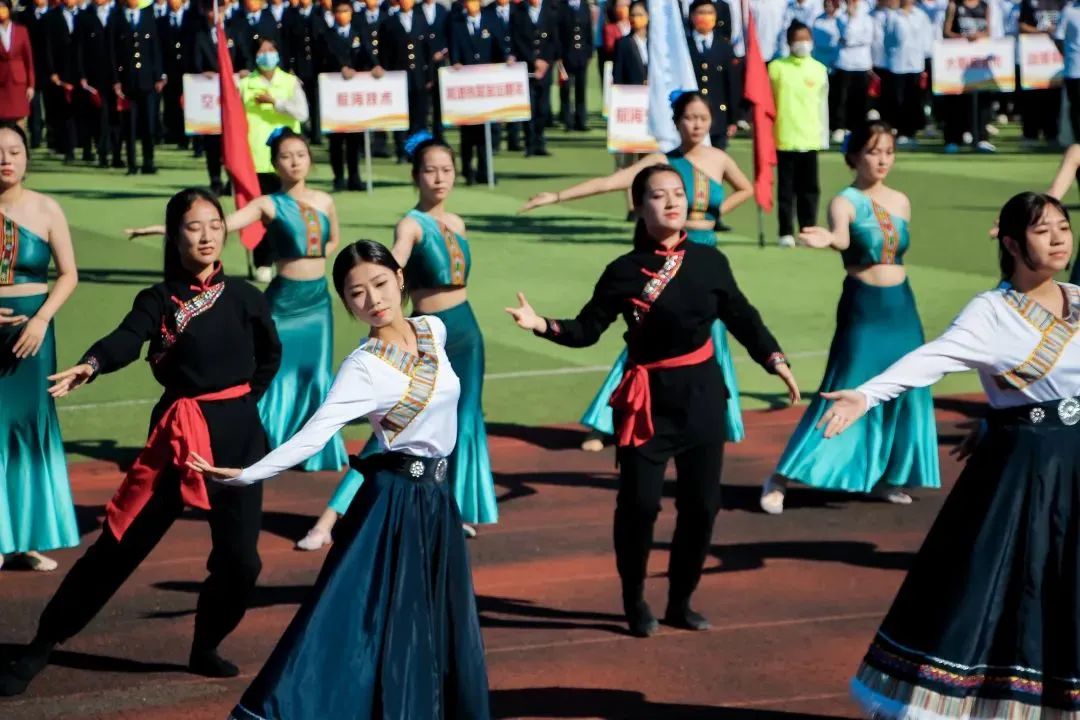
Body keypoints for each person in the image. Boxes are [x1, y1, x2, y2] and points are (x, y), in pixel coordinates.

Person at [187, 240, 490, 720]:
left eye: (380, 283)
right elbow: (314, 434)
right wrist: (247, 474)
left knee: (437, 617)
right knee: (359, 621)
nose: (373, 299)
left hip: (437, 499)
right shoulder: (363, 367)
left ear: (400, 278)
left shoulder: (432, 329)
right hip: (394, 504)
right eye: (356, 293)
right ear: (346, 303)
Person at [0, 188, 282, 698]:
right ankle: (42, 644)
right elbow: (127, 339)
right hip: (178, 437)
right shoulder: (159, 299)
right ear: (174, 236)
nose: (206, 235)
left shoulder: (246, 296)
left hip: (239, 439)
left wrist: (240, 405)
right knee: (118, 546)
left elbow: (269, 356)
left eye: (214, 224)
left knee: (242, 561)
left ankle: (206, 645)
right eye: (193, 226)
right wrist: (92, 364)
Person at [508, 165, 799, 637]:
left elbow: (743, 317)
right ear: (639, 207)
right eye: (659, 195)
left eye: (678, 193)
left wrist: (774, 359)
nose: (672, 202)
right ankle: (634, 600)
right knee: (640, 505)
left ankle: (681, 601)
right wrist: (541, 324)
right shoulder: (623, 271)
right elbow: (587, 330)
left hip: (703, 396)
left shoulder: (710, 261)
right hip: (647, 403)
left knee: (702, 506)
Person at [823, 192, 1080, 720]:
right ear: (1012, 244)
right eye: (1042, 231)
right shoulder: (991, 311)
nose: (1058, 239)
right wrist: (866, 395)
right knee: (1003, 587)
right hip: (1028, 475)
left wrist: (993, 420)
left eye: (1063, 227)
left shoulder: (1078, 297)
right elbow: (934, 358)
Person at [521, 90, 754, 452]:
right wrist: (557, 196)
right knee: (651, 338)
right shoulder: (663, 162)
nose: (696, 125)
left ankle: (709, 417)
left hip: (705, 254)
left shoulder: (720, 159)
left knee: (708, 338)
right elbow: (611, 182)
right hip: (667, 255)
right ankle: (604, 420)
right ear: (676, 122)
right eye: (689, 117)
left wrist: (714, 214)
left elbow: (746, 188)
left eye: (703, 118)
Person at [299, 133, 496, 549]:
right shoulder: (410, 224)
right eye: (430, 170)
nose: (439, 178)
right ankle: (328, 520)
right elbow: (395, 262)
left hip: (467, 334)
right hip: (426, 337)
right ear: (415, 176)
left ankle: (449, 509)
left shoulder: (457, 223)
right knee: (392, 432)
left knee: (459, 424)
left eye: (447, 170)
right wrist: (379, 285)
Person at [127, 127, 348, 475]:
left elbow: (333, 238)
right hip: (285, 300)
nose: (294, 162)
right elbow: (219, 226)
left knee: (315, 372)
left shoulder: (325, 200)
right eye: (286, 157)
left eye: (301, 155)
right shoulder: (267, 204)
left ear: (310, 159)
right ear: (274, 163)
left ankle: (311, 447)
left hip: (318, 301)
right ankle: (264, 440)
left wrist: (314, 256)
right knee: (276, 369)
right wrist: (168, 229)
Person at [759, 122, 940, 515]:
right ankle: (781, 477)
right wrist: (829, 240)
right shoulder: (845, 201)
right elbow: (842, 237)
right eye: (874, 152)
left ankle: (886, 477)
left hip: (902, 307)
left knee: (903, 385)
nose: (882, 160)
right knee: (845, 386)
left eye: (889, 152)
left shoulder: (901, 201)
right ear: (855, 156)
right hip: (864, 307)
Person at [0, 122, 79, 573]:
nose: (6, 160)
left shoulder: (47, 209)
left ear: (27, 157)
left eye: (14, 151)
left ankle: (26, 540)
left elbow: (68, 274)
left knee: (30, 429)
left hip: (34, 336)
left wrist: (41, 319)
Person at [240, 36, 309, 281]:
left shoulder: (290, 82)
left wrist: (275, 103)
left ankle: (288, 257)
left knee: (288, 212)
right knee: (261, 214)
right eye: (262, 51)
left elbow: (302, 113)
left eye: (271, 50)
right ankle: (263, 261)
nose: (267, 55)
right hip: (256, 158)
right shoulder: (245, 84)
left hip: (288, 160)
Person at [769, 21, 828, 248]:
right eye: (798, 39)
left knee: (810, 190)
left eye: (806, 38)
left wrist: (823, 137)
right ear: (789, 42)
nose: (802, 43)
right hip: (784, 137)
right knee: (786, 190)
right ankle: (785, 231)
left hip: (810, 138)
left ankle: (808, 230)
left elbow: (823, 106)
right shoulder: (776, 68)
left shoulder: (819, 69)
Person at [321, 0, 384, 191]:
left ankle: (354, 177)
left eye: (346, 11)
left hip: (354, 93)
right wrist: (340, 68)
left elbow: (368, 52)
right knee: (336, 139)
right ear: (333, 14)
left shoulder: (358, 32)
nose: (343, 15)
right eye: (339, 11)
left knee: (354, 138)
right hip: (334, 93)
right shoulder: (326, 35)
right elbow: (324, 58)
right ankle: (338, 177)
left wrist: (375, 66)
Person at [449, 0, 507, 186]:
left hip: (486, 87)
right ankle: (467, 170)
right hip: (466, 88)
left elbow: (500, 50)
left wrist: (506, 62)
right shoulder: (457, 24)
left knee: (486, 133)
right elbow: (454, 52)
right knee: (467, 134)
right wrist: (455, 63)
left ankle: (485, 170)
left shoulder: (492, 21)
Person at [113, 0, 167, 175]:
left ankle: (148, 162)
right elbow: (113, 53)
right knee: (130, 125)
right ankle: (132, 163)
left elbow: (155, 49)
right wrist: (116, 80)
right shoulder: (117, 19)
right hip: (127, 82)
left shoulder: (148, 18)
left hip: (148, 81)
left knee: (148, 124)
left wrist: (159, 76)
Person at [942, 0, 994, 152]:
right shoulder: (954, 5)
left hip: (978, 60)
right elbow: (946, 32)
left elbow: (988, 31)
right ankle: (953, 139)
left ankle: (981, 138)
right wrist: (963, 38)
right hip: (957, 61)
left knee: (982, 100)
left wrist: (978, 36)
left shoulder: (985, 6)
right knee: (956, 100)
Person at [686, 0, 738, 150]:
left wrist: (732, 119)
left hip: (717, 119)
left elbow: (731, 86)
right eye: (701, 13)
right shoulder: (684, 46)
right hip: (690, 118)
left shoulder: (724, 47)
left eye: (710, 13)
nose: (705, 17)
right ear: (692, 16)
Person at [75, 0, 122, 168]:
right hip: (95, 76)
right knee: (100, 116)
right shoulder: (84, 16)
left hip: (119, 74)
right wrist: (82, 75)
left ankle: (117, 154)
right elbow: (79, 48)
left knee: (117, 116)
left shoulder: (119, 13)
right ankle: (103, 153)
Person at [511, 0, 559, 157]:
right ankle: (529, 144)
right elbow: (518, 41)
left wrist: (546, 62)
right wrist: (533, 60)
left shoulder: (550, 12)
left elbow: (554, 40)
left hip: (545, 68)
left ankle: (540, 142)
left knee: (543, 108)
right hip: (527, 67)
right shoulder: (518, 13)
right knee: (529, 108)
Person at [832, 0, 874, 140]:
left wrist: (852, 41)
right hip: (844, 63)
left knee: (860, 98)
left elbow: (867, 38)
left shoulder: (867, 18)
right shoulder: (840, 17)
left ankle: (857, 127)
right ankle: (839, 127)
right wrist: (851, 18)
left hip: (862, 64)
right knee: (842, 98)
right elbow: (846, 36)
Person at [557, 0, 593, 132]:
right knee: (566, 90)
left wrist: (589, 51)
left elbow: (589, 31)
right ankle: (568, 121)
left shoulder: (584, 6)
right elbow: (558, 32)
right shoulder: (562, 6)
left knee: (581, 89)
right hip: (566, 56)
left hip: (582, 56)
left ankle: (581, 121)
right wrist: (559, 55)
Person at [0, 0, 34, 127]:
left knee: (19, 119)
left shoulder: (21, 31)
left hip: (19, 83)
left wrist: (31, 85)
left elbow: (28, 60)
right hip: (2, 84)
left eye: (3, 7)